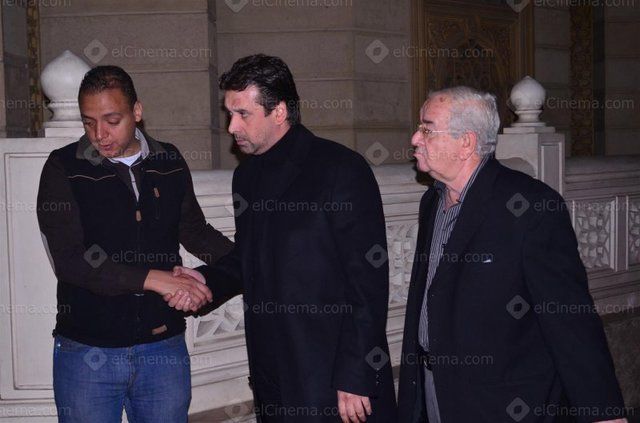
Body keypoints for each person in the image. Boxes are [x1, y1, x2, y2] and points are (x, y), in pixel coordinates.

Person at [171, 54, 397, 422]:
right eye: (229, 113)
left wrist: (356, 375)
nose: (231, 126)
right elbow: (250, 258)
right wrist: (204, 279)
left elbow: (368, 283)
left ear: (278, 112)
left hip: (332, 376)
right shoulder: (246, 177)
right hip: (272, 371)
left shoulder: (341, 169)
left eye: (243, 114)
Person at [396, 86, 627, 422]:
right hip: (436, 390)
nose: (416, 139)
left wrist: (603, 410)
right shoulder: (432, 201)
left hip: (504, 403)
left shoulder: (530, 207)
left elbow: (569, 317)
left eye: (427, 129)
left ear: (466, 143)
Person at [36, 65, 235, 423]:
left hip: (163, 347)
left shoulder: (168, 160)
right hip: (87, 352)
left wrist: (244, 261)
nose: (100, 135)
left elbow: (195, 232)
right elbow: (71, 260)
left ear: (137, 112)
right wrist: (157, 279)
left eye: (112, 120)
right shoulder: (64, 166)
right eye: (88, 122)